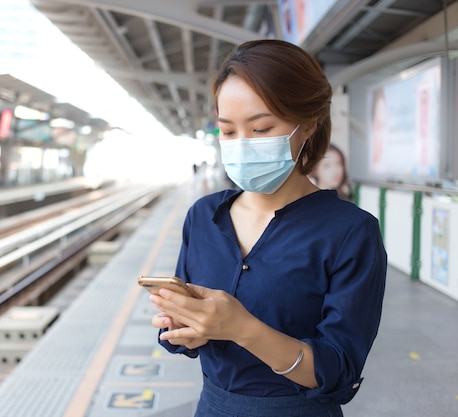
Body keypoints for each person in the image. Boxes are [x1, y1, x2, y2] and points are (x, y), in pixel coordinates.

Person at [148, 39, 387, 417]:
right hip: (212, 407)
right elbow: (185, 333)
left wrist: (242, 328)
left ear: (307, 123)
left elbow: (339, 371)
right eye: (228, 131)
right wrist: (183, 326)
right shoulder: (203, 216)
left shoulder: (351, 232)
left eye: (260, 129)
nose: (242, 145)